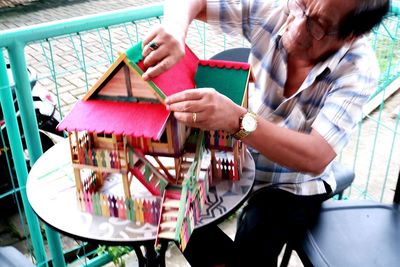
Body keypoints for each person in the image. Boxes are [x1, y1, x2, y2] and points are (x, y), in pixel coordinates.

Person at [141, 0, 389, 266]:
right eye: (301, 5)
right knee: (176, 207)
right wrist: (175, 29)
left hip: (297, 181)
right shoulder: (274, 10)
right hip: (244, 155)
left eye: (318, 25)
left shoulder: (358, 70)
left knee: (256, 231)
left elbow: (316, 155)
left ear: (352, 35)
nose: (296, 26)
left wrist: (237, 120)